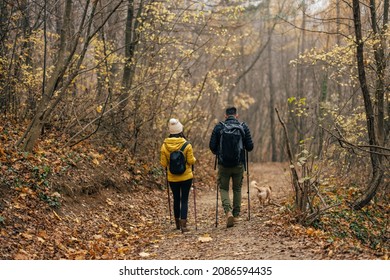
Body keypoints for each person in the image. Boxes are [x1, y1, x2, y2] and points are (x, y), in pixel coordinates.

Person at [209, 106, 254, 228]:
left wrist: (219, 151)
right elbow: (250, 147)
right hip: (238, 164)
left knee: (223, 189)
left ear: (225, 116)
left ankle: (227, 212)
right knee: (237, 189)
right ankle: (236, 215)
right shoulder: (243, 126)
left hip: (223, 164)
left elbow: (212, 146)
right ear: (236, 115)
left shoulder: (219, 127)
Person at [160, 118, 196, 233]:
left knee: (176, 199)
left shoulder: (165, 146)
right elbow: (191, 161)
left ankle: (177, 224)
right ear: (180, 130)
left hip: (172, 178)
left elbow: (164, 164)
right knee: (184, 199)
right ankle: (184, 225)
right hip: (186, 177)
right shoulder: (187, 145)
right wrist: (194, 159)